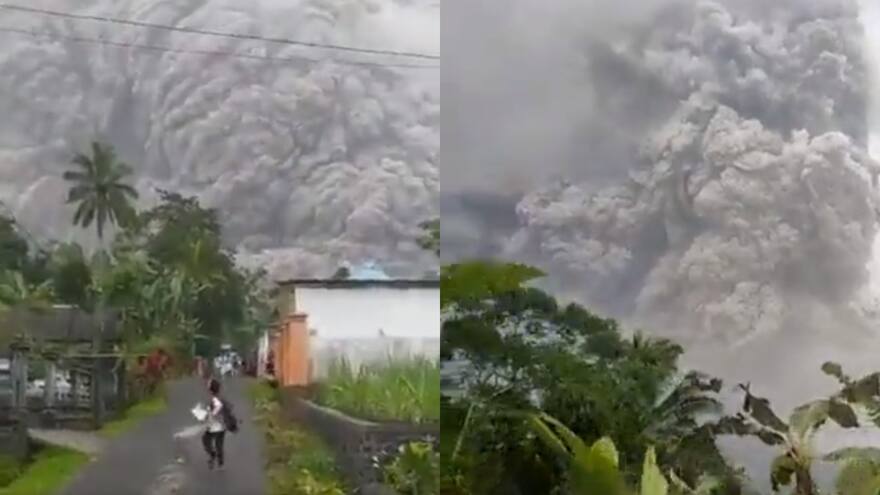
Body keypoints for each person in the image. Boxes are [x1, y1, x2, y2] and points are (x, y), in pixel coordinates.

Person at [201, 378, 226, 470]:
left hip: (214, 426)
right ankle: (221, 464)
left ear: (211, 388)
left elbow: (218, 406)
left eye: (208, 384)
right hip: (221, 426)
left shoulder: (214, 398)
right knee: (219, 444)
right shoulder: (218, 397)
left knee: (205, 440)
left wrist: (211, 414)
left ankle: (212, 453)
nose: (207, 386)